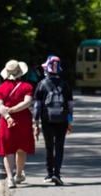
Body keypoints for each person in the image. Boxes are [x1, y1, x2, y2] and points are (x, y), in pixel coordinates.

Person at [32, 55, 73, 186]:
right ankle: (57, 173)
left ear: (47, 69)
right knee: (59, 146)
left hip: (47, 119)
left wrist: (36, 123)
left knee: (49, 146)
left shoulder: (41, 84)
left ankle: (49, 174)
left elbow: (37, 106)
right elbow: (70, 105)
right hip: (62, 119)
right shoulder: (65, 85)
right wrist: (69, 121)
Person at [0, 59, 35, 188]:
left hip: (6, 122)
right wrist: (14, 109)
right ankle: (18, 175)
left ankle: (10, 178)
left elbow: (0, 106)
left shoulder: (0, 89)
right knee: (21, 149)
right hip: (23, 120)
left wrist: (8, 116)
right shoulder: (27, 87)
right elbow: (27, 102)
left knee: (9, 150)